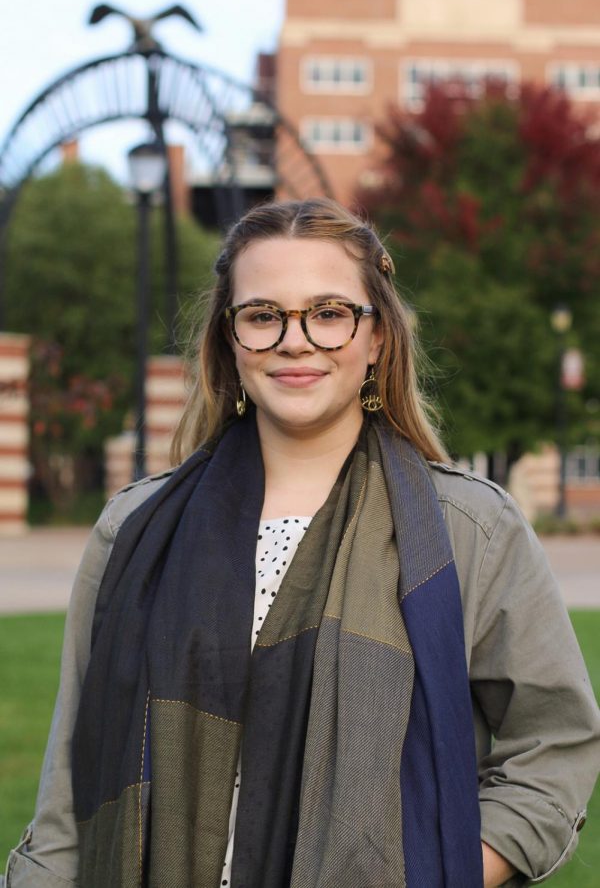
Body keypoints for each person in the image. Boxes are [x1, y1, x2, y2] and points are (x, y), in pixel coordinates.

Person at [4, 198, 599, 888]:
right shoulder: (132, 531)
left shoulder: (468, 531)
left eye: (328, 312)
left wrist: (449, 871)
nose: (295, 340)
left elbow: (554, 747)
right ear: (230, 339)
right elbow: (67, 797)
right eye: (263, 315)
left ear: (376, 337)